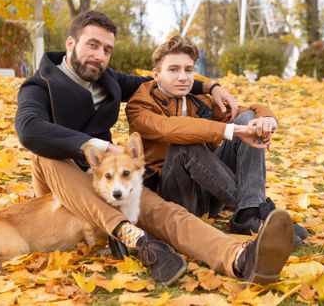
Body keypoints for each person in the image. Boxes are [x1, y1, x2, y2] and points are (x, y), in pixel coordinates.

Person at [15, 10, 294, 285]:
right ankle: (128, 235)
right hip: (64, 181)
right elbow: (29, 129)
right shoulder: (39, 85)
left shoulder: (106, 78)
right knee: (43, 153)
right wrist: (99, 147)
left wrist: (211, 87)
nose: (100, 55)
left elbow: (165, 80)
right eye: (93, 45)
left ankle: (240, 259)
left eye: (107, 49)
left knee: (168, 213)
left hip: (114, 181)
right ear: (70, 44)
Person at [126, 35, 308, 245]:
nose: (183, 77)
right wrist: (229, 130)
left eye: (188, 70)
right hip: (173, 197)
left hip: (209, 194)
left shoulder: (200, 102)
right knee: (185, 144)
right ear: (156, 75)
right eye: (173, 70)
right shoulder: (139, 105)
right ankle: (252, 209)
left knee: (248, 120)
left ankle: (248, 213)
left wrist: (266, 119)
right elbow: (169, 129)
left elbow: (245, 112)